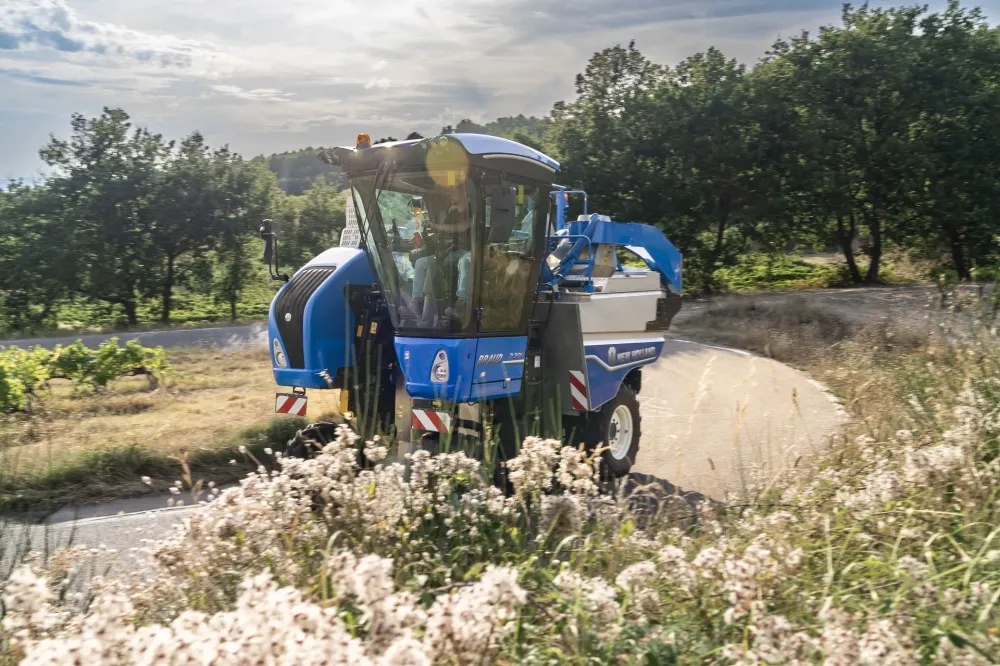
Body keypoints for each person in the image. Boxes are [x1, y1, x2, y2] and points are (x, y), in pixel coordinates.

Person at [404, 205, 472, 326]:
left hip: (471, 253)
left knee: (465, 262)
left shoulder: (472, 209)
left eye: (453, 189)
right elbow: (443, 234)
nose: (450, 194)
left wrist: (436, 225)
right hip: (451, 252)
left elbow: (460, 227)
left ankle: (461, 304)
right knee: (420, 263)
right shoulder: (451, 211)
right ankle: (417, 302)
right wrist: (425, 240)